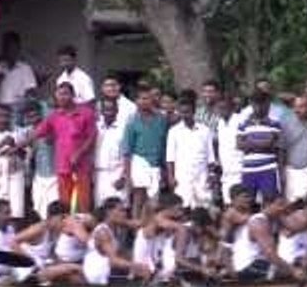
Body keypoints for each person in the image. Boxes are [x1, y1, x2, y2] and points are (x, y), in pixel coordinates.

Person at [20, 82, 96, 214]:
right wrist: (15, 146)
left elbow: (92, 137)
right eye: (59, 94)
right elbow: (36, 133)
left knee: (82, 206)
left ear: (73, 95)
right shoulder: (54, 116)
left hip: (81, 167)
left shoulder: (86, 113)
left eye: (65, 94)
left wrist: (79, 153)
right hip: (62, 168)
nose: (62, 97)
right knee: (64, 206)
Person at [229, 196, 306, 282]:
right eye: (279, 205)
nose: (282, 208)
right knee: (286, 271)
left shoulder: (275, 219)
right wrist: (292, 270)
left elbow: (295, 228)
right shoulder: (259, 222)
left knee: (299, 267)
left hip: (262, 263)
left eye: (284, 205)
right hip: (247, 265)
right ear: (267, 205)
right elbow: (269, 253)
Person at [121, 84, 169, 220]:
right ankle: (137, 231)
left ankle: (148, 228)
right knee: (139, 198)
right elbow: (127, 151)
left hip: (156, 165)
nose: (144, 101)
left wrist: (164, 168)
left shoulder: (161, 119)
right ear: (136, 101)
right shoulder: (132, 122)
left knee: (153, 202)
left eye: (147, 98)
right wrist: (128, 175)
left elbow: (164, 145)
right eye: (141, 98)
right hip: (139, 163)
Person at [82, 197, 152, 286]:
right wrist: (138, 266)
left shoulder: (119, 224)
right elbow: (113, 261)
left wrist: (148, 207)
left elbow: (141, 223)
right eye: (121, 210)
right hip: (99, 274)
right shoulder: (103, 232)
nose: (125, 214)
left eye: (125, 211)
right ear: (109, 212)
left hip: (108, 270)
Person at [166, 95, 217, 210]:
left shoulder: (205, 130)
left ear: (194, 112)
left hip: (202, 176)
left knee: (203, 208)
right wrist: (170, 176)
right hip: (182, 177)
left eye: (188, 112)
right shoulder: (174, 131)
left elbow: (210, 156)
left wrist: (212, 174)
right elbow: (170, 158)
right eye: (182, 112)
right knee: (183, 207)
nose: (185, 115)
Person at [237, 91, 283, 204]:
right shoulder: (244, 123)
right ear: (251, 104)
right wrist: (262, 143)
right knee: (248, 202)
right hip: (248, 169)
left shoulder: (274, 123)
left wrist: (250, 142)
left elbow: (272, 144)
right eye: (255, 103)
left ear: (267, 104)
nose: (258, 107)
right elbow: (239, 144)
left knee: (269, 200)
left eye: (261, 103)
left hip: (268, 169)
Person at [281, 95, 307, 202]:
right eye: (295, 107)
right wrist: (282, 172)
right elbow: (281, 149)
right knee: (292, 204)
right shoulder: (286, 122)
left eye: (301, 106)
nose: (297, 110)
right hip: (291, 171)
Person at [276, 192, 307, 276]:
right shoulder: (301, 218)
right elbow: (293, 227)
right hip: (289, 262)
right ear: (306, 208)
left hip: (302, 260)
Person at [93, 98, 129, 210]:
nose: (109, 112)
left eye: (111, 109)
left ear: (117, 110)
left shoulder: (124, 128)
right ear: (101, 111)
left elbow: (128, 154)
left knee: (119, 210)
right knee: (101, 210)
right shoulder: (95, 127)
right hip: (99, 175)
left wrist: (124, 176)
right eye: (106, 109)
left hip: (117, 173)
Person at [0, 32, 37, 113]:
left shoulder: (25, 68)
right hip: (0, 109)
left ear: (18, 48)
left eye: (13, 47)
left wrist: (25, 103)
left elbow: (31, 90)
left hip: (18, 109)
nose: (10, 51)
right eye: (8, 47)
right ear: (3, 49)